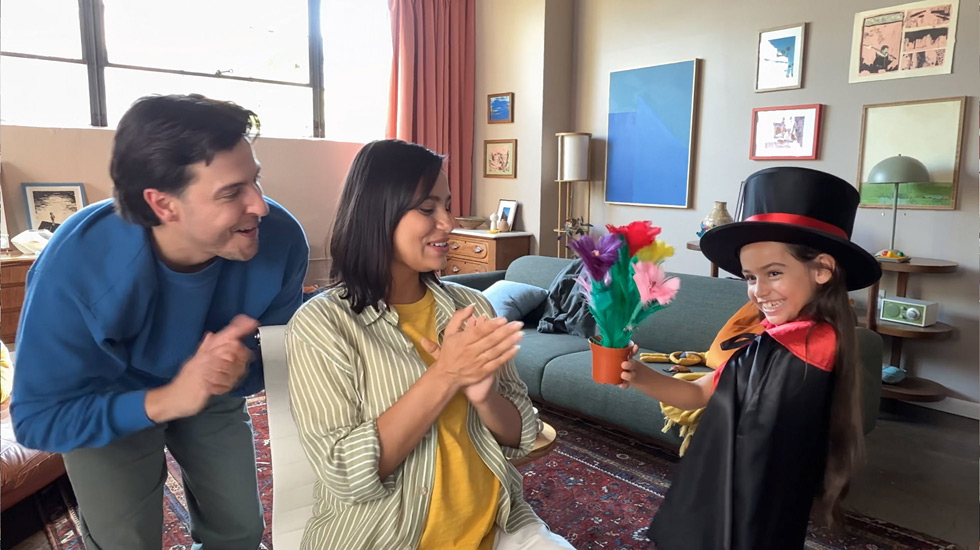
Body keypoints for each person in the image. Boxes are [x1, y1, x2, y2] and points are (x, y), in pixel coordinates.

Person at [11, 94, 310, 550]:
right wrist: (168, 399)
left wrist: (237, 370)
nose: (261, 206)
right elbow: (38, 422)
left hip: (212, 391)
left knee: (241, 531)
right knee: (124, 542)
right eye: (232, 192)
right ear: (163, 204)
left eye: (256, 180)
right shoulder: (74, 269)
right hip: (106, 395)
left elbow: (270, 359)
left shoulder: (281, 241)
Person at [285, 139, 573, 550]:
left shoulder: (472, 307)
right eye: (427, 208)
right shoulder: (323, 323)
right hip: (385, 537)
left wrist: (485, 395)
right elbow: (346, 473)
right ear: (377, 212)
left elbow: (521, 434)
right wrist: (446, 374)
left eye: (447, 205)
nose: (447, 222)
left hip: (498, 527)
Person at [619, 167, 882, 550]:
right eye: (750, 277)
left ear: (823, 269)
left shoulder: (817, 347)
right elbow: (700, 394)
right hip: (713, 492)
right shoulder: (766, 342)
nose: (758, 291)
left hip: (755, 515)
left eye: (774, 272)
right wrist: (637, 374)